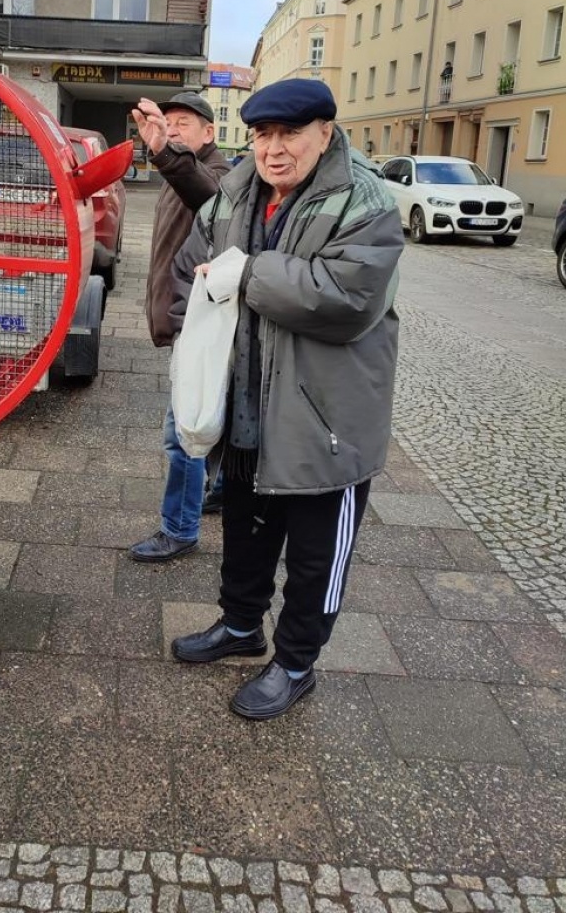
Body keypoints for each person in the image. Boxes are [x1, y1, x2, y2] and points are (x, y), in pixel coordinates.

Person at [168, 78, 403, 719]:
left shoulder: (365, 198)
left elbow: (347, 298)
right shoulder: (241, 186)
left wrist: (246, 274)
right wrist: (193, 322)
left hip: (325, 422)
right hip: (249, 405)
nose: (273, 149)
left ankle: (297, 663)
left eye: (290, 133)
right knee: (244, 530)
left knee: (314, 557)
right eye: (262, 134)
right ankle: (241, 626)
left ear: (325, 131)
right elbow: (198, 257)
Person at [127, 91, 230, 562]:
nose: (171, 129)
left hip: (200, 322)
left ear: (209, 133)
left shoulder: (217, 173)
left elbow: (207, 195)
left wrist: (168, 153)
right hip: (187, 317)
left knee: (183, 431)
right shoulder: (179, 170)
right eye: (166, 122)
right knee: (211, 416)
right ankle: (221, 488)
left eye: (183, 123)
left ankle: (180, 528)